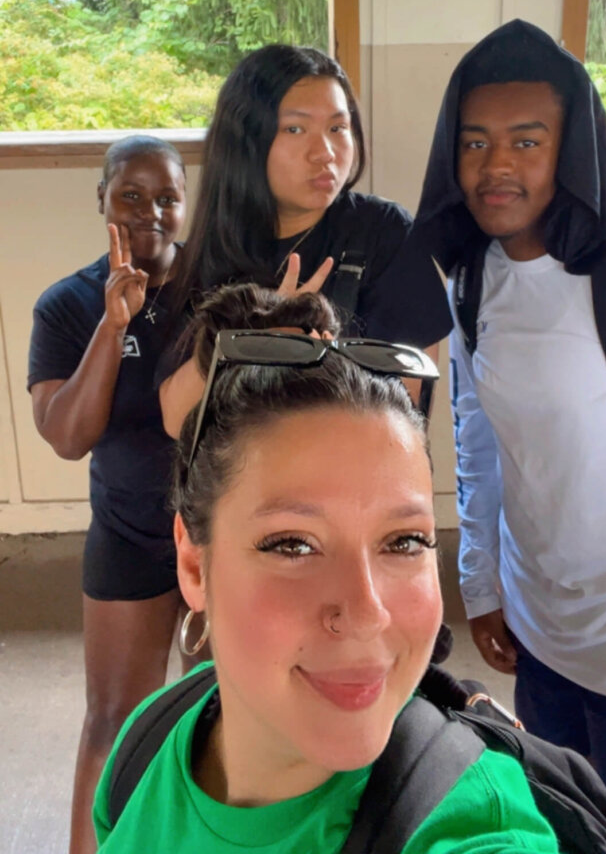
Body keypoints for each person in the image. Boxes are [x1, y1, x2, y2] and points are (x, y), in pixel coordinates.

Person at [92, 283, 560, 853]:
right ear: (194, 565)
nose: (367, 613)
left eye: (404, 541)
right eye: (293, 545)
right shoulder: (148, 744)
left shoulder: (473, 828)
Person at [415, 18, 606, 810]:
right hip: (536, 634)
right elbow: (478, 439)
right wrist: (480, 583)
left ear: (572, 150)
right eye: (474, 142)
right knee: (557, 817)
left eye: (526, 141)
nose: (496, 166)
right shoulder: (472, 280)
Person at [27, 135, 196, 854]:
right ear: (102, 199)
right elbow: (67, 436)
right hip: (128, 532)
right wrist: (112, 324)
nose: (150, 211)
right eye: (131, 195)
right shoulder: (67, 304)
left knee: (220, 711)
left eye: (167, 198)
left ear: (185, 206)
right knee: (114, 719)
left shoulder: (214, 287)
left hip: (215, 533)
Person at [159, 44, 451, 435]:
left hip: (351, 466)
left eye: (338, 128)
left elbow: (407, 419)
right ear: (246, 140)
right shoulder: (215, 244)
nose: (325, 153)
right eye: (295, 129)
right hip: (241, 468)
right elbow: (176, 420)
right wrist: (255, 334)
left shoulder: (384, 233)